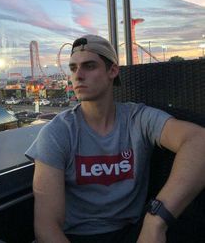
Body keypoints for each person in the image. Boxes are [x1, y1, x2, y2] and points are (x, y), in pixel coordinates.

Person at [25, 34, 205, 243]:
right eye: (73, 68)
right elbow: (47, 227)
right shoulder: (57, 132)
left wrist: (156, 221)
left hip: (134, 232)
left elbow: (199, 140)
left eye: (89, 66)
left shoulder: (138, 118)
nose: (78, 75)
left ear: (112, 71)